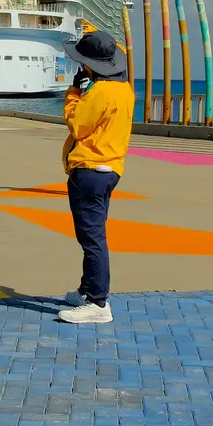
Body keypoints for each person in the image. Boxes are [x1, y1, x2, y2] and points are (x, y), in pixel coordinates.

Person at [57, 30, 135, 326]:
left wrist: (73, 94)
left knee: (92, 239)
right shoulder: (125, 90)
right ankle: (86, 289)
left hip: (89, 170)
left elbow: (78, 125)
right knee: (93, 234)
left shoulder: (100, 92)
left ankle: (98, 303)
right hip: (110, 168)